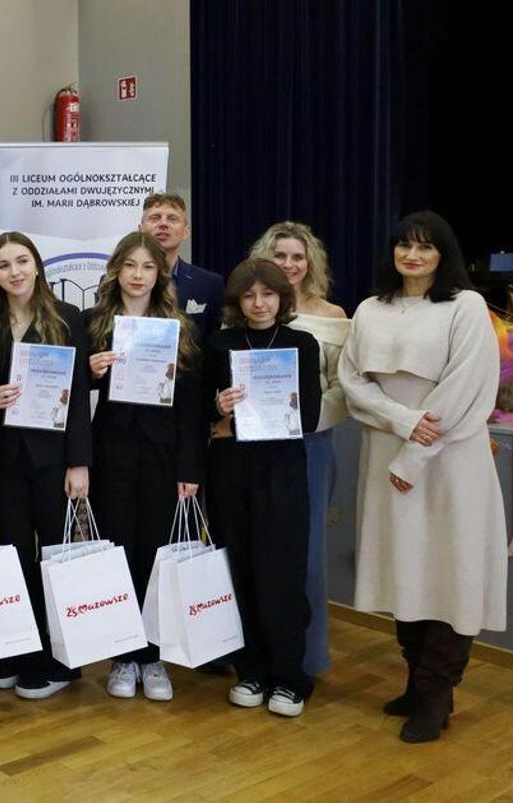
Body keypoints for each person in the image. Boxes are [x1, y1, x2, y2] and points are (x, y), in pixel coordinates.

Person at [338, 211, 506, 743]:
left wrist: (414, 455)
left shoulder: (467, 306)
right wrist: (403, 422)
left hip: (449, 460)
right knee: (403, 569)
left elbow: (466, 390)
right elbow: (352, 380)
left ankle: (436, 694)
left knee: (451, 572)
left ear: (443, 254)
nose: (413, 256)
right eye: (404, 245)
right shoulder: (370, 309)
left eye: (425, 247)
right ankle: (417, 680)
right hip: (388, 450)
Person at [86, 230, 206, 702]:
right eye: (130, 265)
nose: (138, 275)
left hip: (163, 457)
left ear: (161, 274)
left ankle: (153, 656)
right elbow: (71, 394)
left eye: (148, 267)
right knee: (117, 553)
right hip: (109, 454)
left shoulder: (179, 328)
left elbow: (191, 408)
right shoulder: (93, 324)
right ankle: (123, 655)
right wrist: (91, 373)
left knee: (157, 555)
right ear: (117, 270)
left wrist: (189, 469)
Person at [205, 259, 321, 718]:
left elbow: (309, 415)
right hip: (230, 470)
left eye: (267, 294)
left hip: (282, 471)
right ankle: (250, 669)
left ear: (281, 297)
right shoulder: (220, 343)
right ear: (236, 301)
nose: (258, 304)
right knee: (239, 570)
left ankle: (290, 677)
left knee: (282, 574)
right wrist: (219, 406)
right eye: (249, 295)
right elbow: (202, 413)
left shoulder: (301, 344)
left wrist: (278, 408)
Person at [0, 232, 91, 699]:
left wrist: (79, 463)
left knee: (55, 557)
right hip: (3, 458)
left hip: (53, 460)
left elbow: (79, 395)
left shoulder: (67, 317)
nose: (15, 272)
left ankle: (62, 659)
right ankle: (22, 649)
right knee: (14, 556)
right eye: (4, 265)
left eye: (22, 261)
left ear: (37, 266)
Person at [248, 221, 348, 676]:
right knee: (257, 550)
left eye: (297, 257)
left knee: (307, 557)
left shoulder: (332, 316)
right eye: (280, 255)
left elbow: (344, 389)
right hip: (253, 446)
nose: (288, 265)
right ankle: (257, 655)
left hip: (311, 445)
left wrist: (304, 419)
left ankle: (306, 660)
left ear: (310, 264)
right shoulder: (250, 308)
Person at [138, 193, 222, 337]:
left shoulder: (209, 284)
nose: (163, 224)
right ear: (140, 230)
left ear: (186, 232)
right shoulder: (117, 281)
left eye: (172, 219)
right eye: (155, 218)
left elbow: (211, 341)